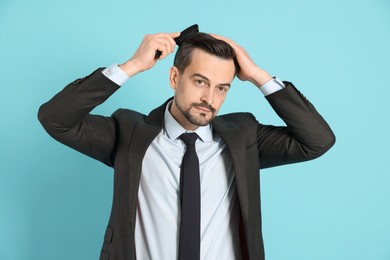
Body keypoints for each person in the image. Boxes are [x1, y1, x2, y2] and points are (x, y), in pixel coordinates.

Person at [38, 30, 335, 260]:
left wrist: (258, 76)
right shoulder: (129, 133)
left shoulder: (244, 137)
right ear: (174, 76)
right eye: (200, 82)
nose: (210, 98)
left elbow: (317, 140)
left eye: (222, 88)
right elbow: (56, 119)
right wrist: (130, 66)